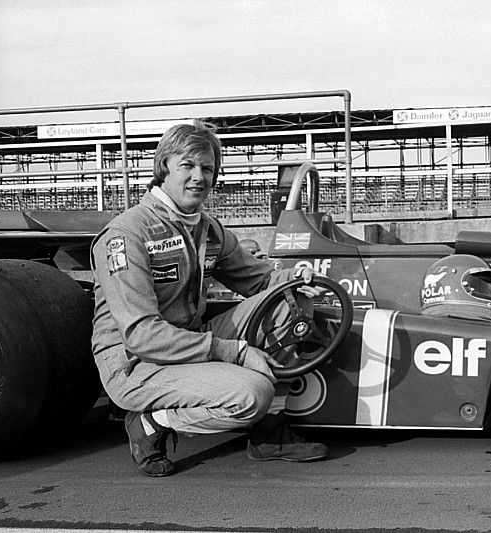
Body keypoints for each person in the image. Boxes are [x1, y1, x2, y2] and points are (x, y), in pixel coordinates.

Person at [90, 121, 327, 477]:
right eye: (187, 165)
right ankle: (152, 421)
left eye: (207, 168)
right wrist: (232, 351)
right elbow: (141, 336)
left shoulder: (206, 228)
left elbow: (260, 280)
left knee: (288, 303)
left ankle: (268, 433)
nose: (198, 177)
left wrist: (295, 280)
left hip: (189, 341)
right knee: (253, 394)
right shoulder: (126, 234)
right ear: (164, 167)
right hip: (136, 362)